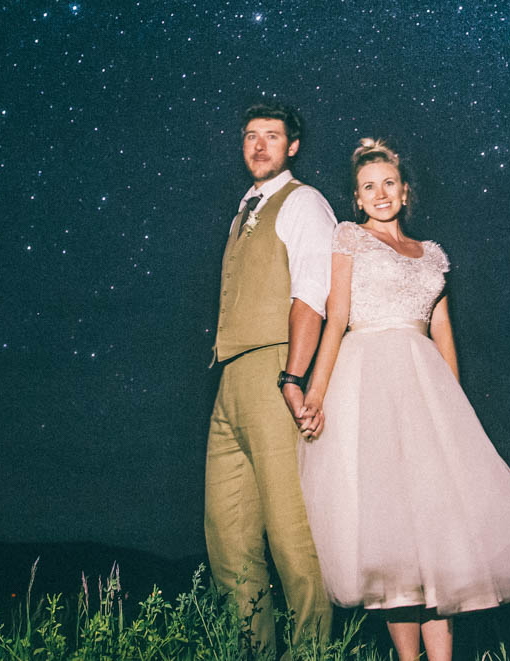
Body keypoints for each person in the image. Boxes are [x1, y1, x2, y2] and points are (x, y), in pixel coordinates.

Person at [297, 139, 510, 661]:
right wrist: (315, 391)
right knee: (391, 530)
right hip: (368, 383)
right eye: (369, 187)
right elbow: (336, 319)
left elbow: (443, 336)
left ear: (406, 192)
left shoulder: (432, 256)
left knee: (436, 530)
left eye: (389, 184)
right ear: (356, 199)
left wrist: (454, 412)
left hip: (424, 391)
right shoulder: (348, 238)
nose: (380, 194)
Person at [204, 101, 336, 658]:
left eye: (272, 136)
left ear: (293, 146)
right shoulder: (243, 211)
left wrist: (292, 375)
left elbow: (312, 292)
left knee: (291, 537)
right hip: (229, 379)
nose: (259, 146)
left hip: (273, 370)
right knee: (229, 543)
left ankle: (312, 653)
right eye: (251, 136)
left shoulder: (303, 202)